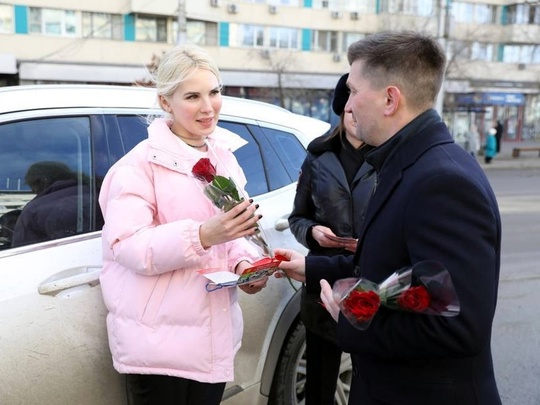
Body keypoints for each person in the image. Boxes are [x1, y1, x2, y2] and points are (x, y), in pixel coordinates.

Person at [275, 31, 502, 405]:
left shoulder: (442, 180)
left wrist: (351, 321)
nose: (346, 103)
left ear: (390, 99)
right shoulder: (409, 163)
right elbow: (398, 267)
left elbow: (457, 326)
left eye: (352, 90)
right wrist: (312, 268)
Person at [98, 44, 267, 405]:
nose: (208, 107)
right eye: (192, 96)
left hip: (212, 337)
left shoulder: (223, 157)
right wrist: (203, 235)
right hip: (158, 348)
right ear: (165, 102)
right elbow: (128, 246)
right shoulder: (138, 167)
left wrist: (246, 265)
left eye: (214, 92)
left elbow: (233, 232)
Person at [288, 72, 375, 404]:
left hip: (368, 277)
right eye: (349, 112)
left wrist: (368, 240)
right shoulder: (318, 156)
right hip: (322, 279)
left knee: (370, 377)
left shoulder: (386, 157)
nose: (356, 119)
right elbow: (297, 217)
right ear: (341, 111)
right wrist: (311, 232)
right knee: (320, 382)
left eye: (359, 111)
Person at [11, 161, 92, 247]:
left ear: (43, 181)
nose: (32, 191)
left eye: (32, 185)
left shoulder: (34, 211)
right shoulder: (95, 193)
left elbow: (22, 252)